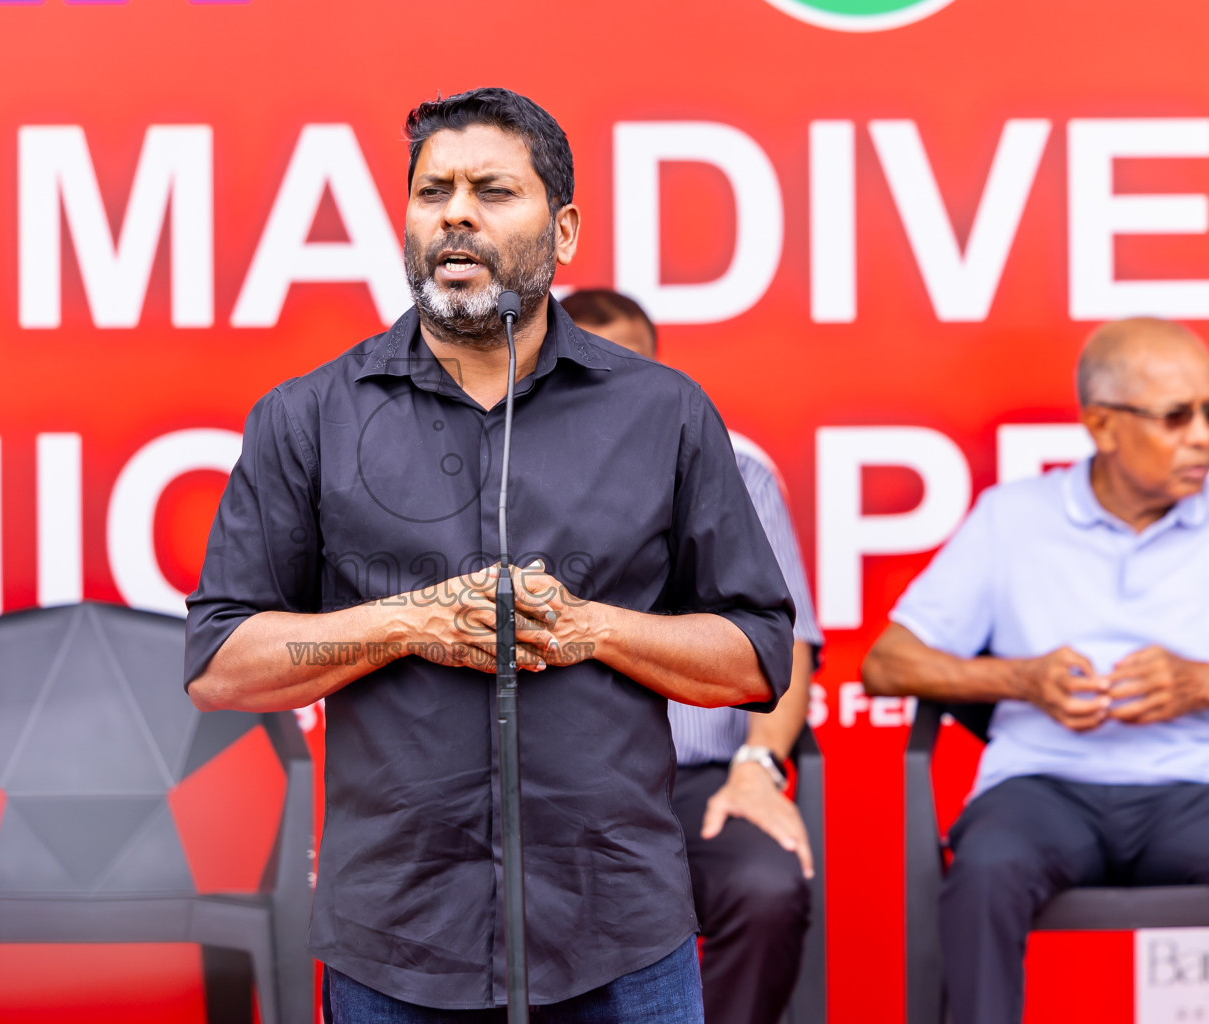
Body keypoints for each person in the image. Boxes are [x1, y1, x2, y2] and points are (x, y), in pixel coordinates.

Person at [184, 88, 795, 1021]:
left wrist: (592, 629)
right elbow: (221, 670)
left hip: (620, 934)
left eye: (492, 190)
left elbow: (757, 659)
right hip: (397, 941)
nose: (456, 212)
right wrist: (404, 623)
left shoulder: (662, 413)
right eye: (433, 192)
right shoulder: (308, 417)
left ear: (565, 229)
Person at [861, 317, 1209, 1024]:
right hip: (1043, 791)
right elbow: (886, 664)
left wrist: (1201, 681)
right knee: (986, 873)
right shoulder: (1013, 518)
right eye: (1176, 417)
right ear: (1103, 426)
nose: (1201, 435)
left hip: (1192, 785)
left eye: (1208, 411)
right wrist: (1023, 680)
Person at [561, 289, 822, 1024]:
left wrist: (760, 767)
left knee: (766, 889)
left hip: (704, 778)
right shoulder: (516, 476)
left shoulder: (735, 467)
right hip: (567, 785)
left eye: (632, 365)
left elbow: (787, 645)